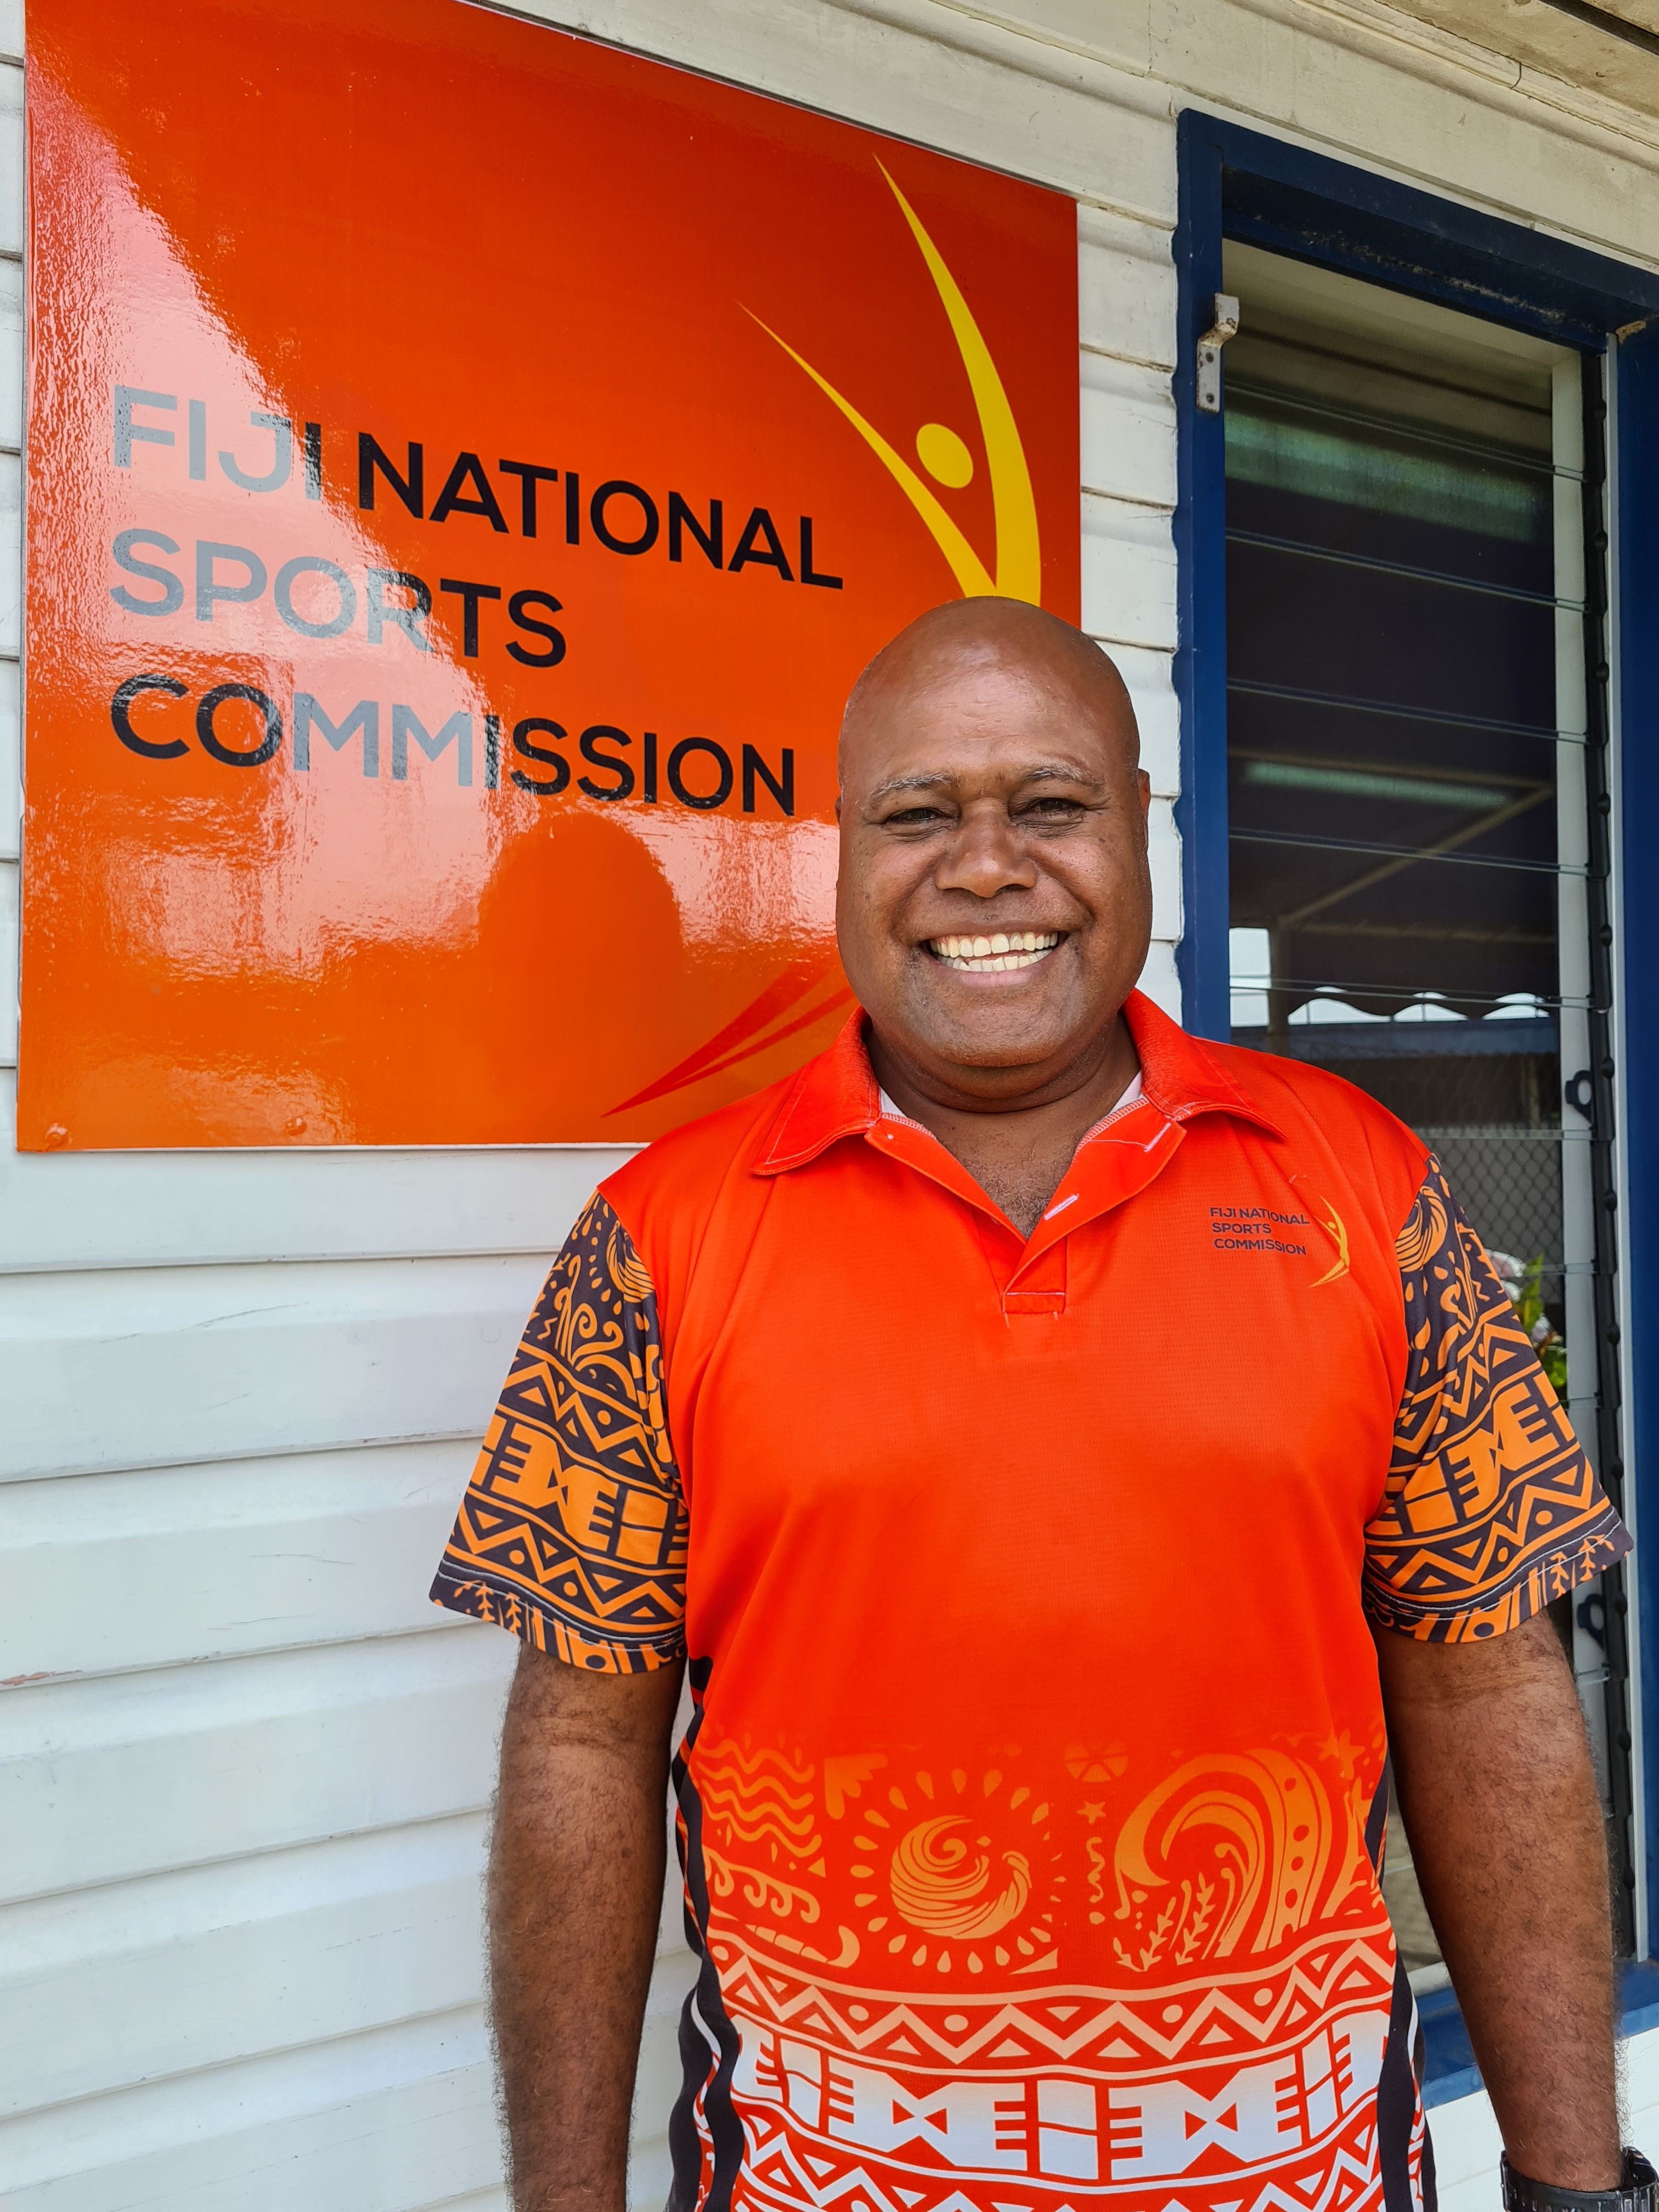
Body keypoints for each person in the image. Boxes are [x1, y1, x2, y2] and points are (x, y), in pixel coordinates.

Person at [431, 598, 1640, 2212]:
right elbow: (579, 1749)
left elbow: (1491, 1689)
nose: (985, 868)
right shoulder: (655, 1241)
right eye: (917, 813)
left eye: (1048, 806)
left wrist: (1577, 2184)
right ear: (842, 852)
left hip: (1302, 2176)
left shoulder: (1367, 1187)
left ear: (1138, 833)